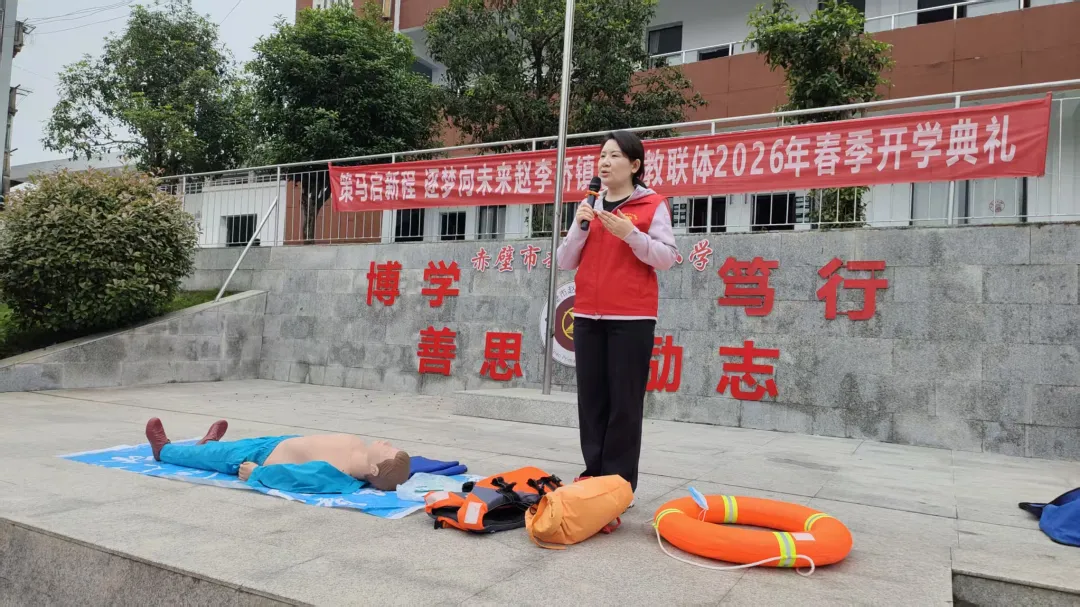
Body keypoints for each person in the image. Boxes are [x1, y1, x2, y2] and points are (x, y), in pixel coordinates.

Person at [555, 130, 679, 513]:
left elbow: (667, 257)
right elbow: (564, 260)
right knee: (591, 400)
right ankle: (593, 474)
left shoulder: (652, 205)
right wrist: (579, 226)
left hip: (632, 317)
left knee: (624, 404)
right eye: (602, 156)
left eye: (614, 156)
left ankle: (618, 484)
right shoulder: (588, 205)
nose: (605, 163)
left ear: (634, 164)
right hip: (587, 315)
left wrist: (632, 235)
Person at [145, 417, 411, 493]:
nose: (387, 443)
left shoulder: (336, 475)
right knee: (222, 449)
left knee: (218, 455)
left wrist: (257, 473)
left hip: (262, 458)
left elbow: (294, 477)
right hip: (279, 442)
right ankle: (208, 444)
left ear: (374, 470)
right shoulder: (362, 451)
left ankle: (163, 450)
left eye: (388, 450)